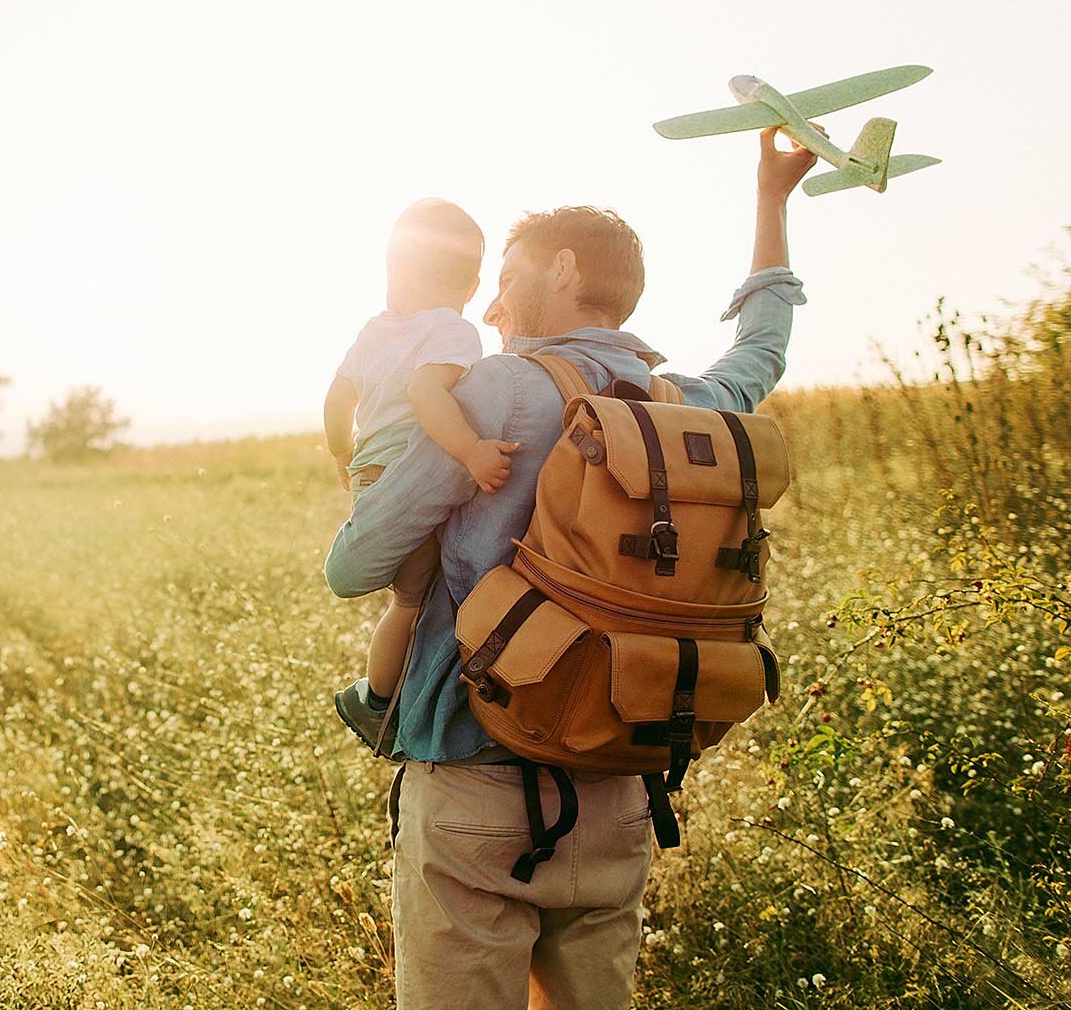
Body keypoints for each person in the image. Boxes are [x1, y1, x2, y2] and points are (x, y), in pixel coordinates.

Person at [323, 128, 819, 1009]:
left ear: (558, 270)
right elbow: (763, 348)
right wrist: (771, 202)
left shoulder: (500, 391)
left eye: (506, 279)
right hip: (619, 789)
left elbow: (356, 564)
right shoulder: (681, 407)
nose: (493, 309)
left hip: (473, 781)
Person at [324, 198, 521, 754]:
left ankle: (389, 695)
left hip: (368, 471)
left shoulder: (374, 330)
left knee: (406, 596)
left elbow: (338, 397)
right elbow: (425, 393)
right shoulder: (452, 330)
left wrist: (342, 453)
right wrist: (473, 451)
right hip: (405, 469)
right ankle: (378, 701)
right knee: (412, 602)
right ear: (472, 284)